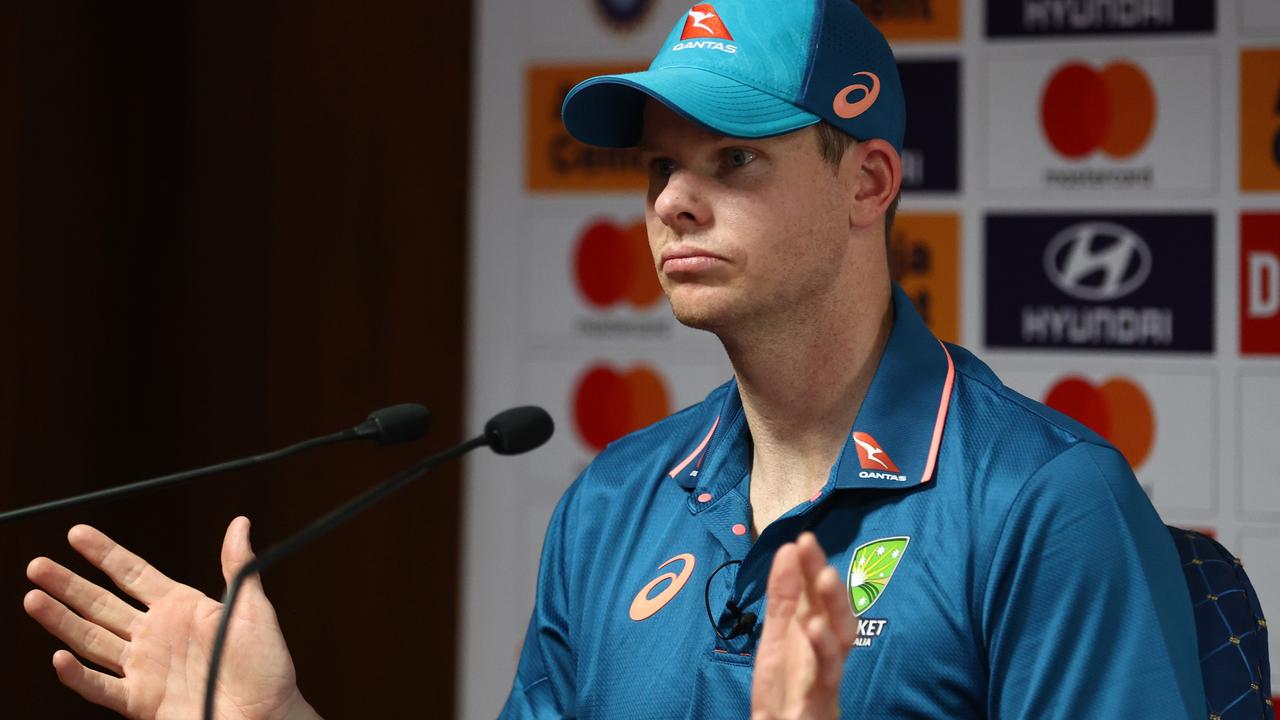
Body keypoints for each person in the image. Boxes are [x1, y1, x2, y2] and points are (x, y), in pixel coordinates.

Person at [22, 1, 1204, 719]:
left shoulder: (1045, 500)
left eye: (732, 161)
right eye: (656, 170)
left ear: (868, 182)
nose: (673, 204)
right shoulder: (611, 503)